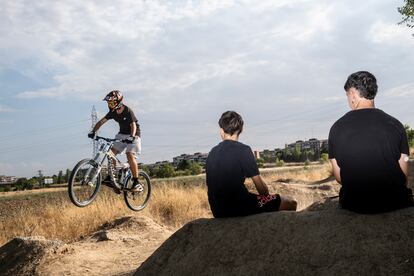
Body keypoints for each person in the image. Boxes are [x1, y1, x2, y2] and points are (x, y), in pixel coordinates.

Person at [329, 71, 413, 213]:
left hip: (355, 203)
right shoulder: (395, 125)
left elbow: (339, 177)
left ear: (353, 95)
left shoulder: (336, 128)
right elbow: (403, 173)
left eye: (348, 96)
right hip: (395, 201)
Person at [206, 111, 297, 218]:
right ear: (241, 130)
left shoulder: (212, 152)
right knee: (290, 202)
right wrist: (267, 196)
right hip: (240, 207)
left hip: (218, 211)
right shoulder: (243, 150)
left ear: (221, 130)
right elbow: (262, 190)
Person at [88, 90, 142, 192]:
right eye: (108, 102)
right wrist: (93, 131)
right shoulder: (112, 112)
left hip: (134, 134)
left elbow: (133, 125)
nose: (109, 104)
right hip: (121, 135)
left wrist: (131, 136)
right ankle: (112, 177)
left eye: (112, 102)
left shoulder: (127, 110)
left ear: (119, 101)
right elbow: (101, 121)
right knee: (110, 153)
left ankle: (136, 182)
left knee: (129, 154)